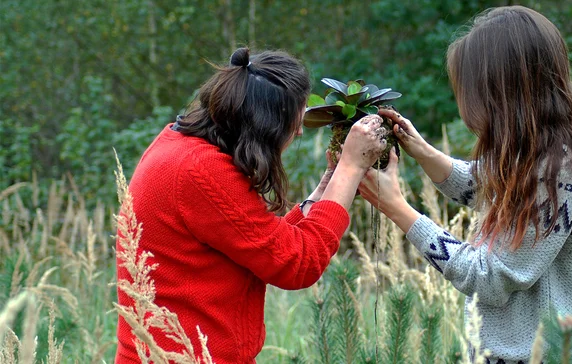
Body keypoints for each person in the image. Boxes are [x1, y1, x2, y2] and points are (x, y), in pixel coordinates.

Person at [359, 6, 572, 363]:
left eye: (471, 93)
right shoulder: (565, 127)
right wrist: (425, 152)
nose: (466, 108)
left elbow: (489, 277)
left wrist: (398, 209)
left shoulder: (562, 167)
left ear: (502, 95)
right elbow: (493, 186)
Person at [115, 47, 389, 363]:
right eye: (294, 122)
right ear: (266, 125)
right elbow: (298, 264)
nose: (299, 131)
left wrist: (328, 185)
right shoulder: (199, 171)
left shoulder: (181, 151)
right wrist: (351, 168)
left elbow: (263, 244)